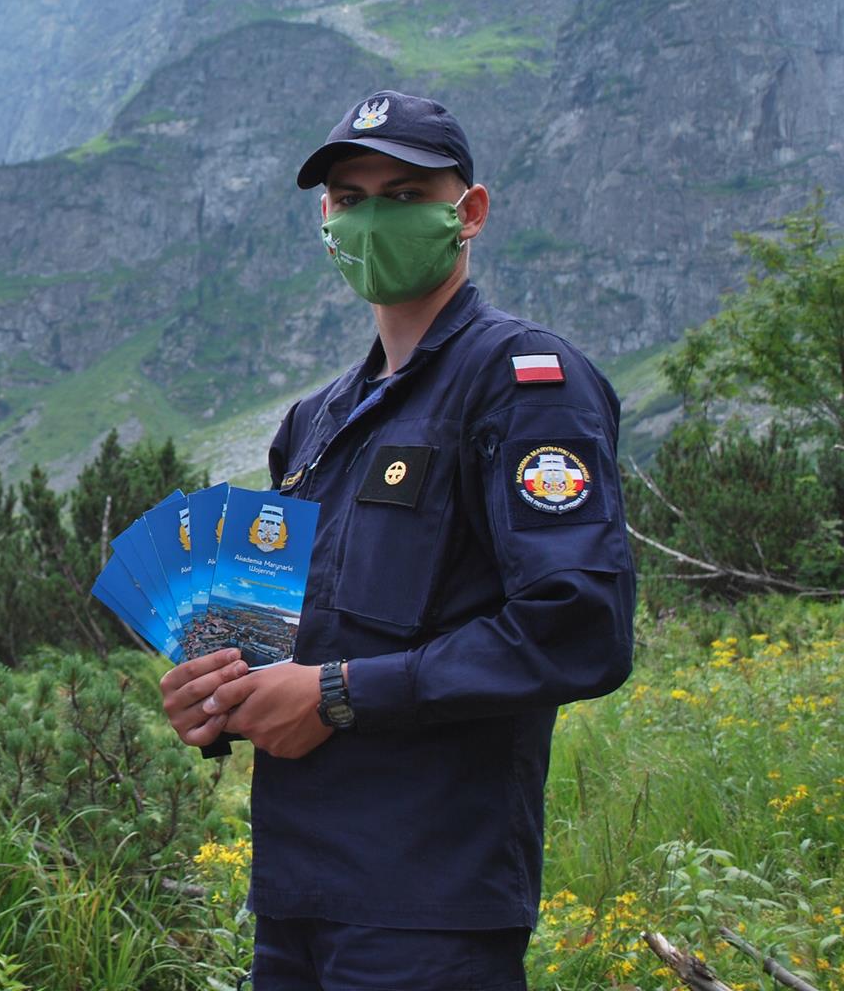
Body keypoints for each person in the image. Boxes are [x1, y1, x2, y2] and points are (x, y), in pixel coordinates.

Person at [158, 91, 636, 991]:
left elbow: (579, 627)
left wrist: (339, 695)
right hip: (294, 895)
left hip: (429, 903)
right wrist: (217, 700)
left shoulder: (527, 383)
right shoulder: (313, 422)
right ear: (325, 220)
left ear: (470, 211)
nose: (374, 219)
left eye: (407, 194)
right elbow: (292, 646)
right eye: (351, 198)